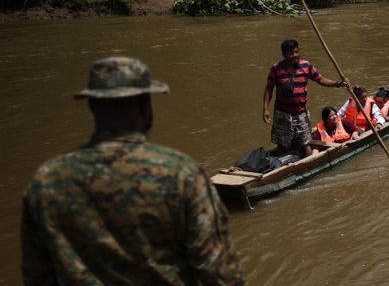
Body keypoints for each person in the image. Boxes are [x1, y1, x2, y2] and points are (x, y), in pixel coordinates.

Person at [21, 57, 245, 285]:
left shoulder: (46, 181)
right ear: (146, 106)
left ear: (92, 106)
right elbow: (219, 272)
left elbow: (36, 275)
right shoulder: (181, 174)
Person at [262, 39, 347, 158]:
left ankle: (309, 163)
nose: (295, 55)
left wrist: (337, 84)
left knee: (305, 143)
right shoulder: (276, 69)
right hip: (282, 114)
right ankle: (281, 165)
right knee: (282, 144)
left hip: (301, 114)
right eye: (291, 53)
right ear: (284, 55)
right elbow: (269, 89)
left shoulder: (306, 66)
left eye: (296, 52)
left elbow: (320, 79)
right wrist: (265, 109)